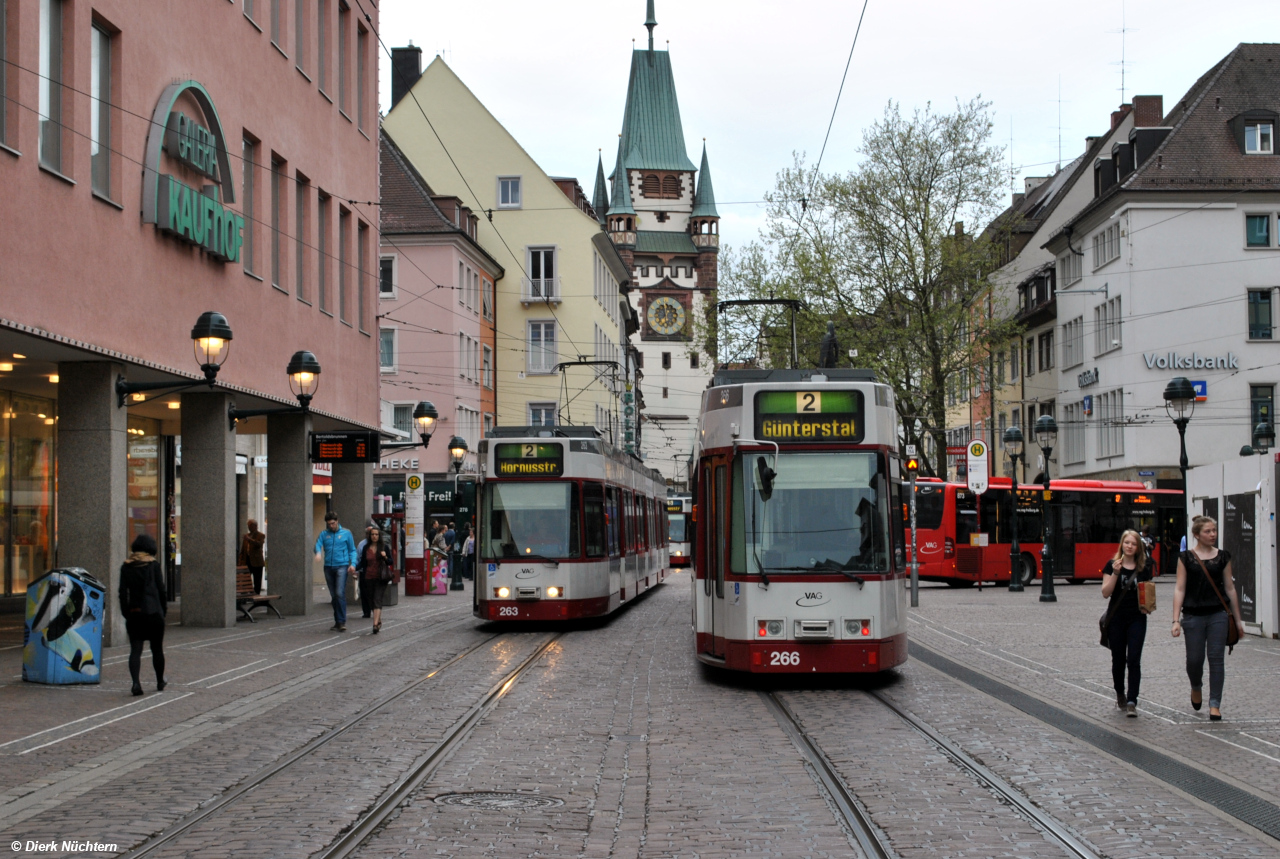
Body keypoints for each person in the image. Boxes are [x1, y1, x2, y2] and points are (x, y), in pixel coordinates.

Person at [1173, 515, 1245, 721]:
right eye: (1208, 531)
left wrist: (1238, 621)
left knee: (1216, 659)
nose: (1212, 534)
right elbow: (1179, 589)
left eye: (1214, 530)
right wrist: (1175, 619)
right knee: (1194, 660)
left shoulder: (1223, 557)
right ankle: (1196, 686)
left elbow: (1230, 589)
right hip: (1193, 615)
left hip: (1218, 614)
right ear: (1196, 535)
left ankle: (1215, 704)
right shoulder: (1185, 557)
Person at [1100, 530, 1153, 717]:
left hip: (1137, 618)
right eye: (1127, 542)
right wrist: (1115, 573)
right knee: (1119, 660)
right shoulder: (1112, 565)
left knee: (1134, 660)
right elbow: (1105, 592)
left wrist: (1148, 606)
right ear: (1122, 544)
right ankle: (1120, 692)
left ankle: (1132, 700)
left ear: (1138, 547)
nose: (1130, 546)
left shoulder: (1144, 568)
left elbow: (1148, 592)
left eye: (1133, 543)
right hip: (1116, 618)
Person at [118, 534, 167, 696]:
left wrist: (127, 612)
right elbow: (161, 590)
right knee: (157, 649)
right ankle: (160, 680)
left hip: (135, 614)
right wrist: (163, 611)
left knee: (135, 650)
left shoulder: (126, 566)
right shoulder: (153, 565)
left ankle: (136, 684)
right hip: (153, 613)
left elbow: (122, 593)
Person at [314, 511, 356, 632]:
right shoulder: (324, 534)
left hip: (341, 566)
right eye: (329, 524)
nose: (331, 526)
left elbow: (352, 550)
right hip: (328, 567)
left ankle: (342, 621)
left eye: (333, 523)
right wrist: (317, 552)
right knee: (333, 595)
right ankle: (337, 621)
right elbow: (318, 544)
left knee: (339, 593)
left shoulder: (346, 533)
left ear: (337, 521)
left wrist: (352, 564)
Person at [355, 526, 392, 633]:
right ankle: (378, 619)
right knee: (370, 600)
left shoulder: (384, 547)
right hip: (368, 577)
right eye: (372, 534)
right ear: (369, 536)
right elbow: (362, 563)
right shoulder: (366, 548)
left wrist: (385, 557)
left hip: (381, 577)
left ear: (379, 536)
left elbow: (390, 562)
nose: (374, 536)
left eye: (376, 534)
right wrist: (354, 568)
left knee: (377, 599)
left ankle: (375, 625)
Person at [238, 519, 267, 594]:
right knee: (245, 580)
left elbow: (259, 544)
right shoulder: (247, 536)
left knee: (257, 580)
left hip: (257, 562)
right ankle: (244, 595)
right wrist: (240, 561)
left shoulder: (261, 535)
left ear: (255, 526)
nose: (249, 527)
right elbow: (243, 550)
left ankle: (257, 595)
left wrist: (250, 540)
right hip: (247, 561)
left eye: (250, 525)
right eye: (248, 525)